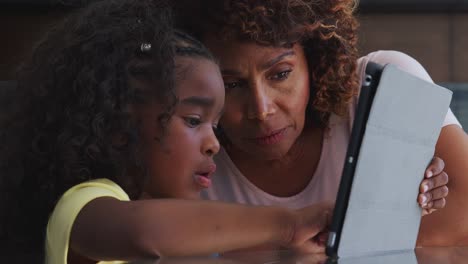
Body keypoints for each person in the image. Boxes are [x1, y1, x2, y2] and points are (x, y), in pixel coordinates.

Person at [0, 0, 334, 263]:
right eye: (193, 120)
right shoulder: (83, 206)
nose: (214, 144)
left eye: (215, 126)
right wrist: (288, 227)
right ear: (119, 123)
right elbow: (143, 234)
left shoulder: (182, 239)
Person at [172, 0, 468, 245]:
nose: (261, 110)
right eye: (232, 84)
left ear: (314, 61)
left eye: (280, 74)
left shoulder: (385, 83)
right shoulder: (187, 149)